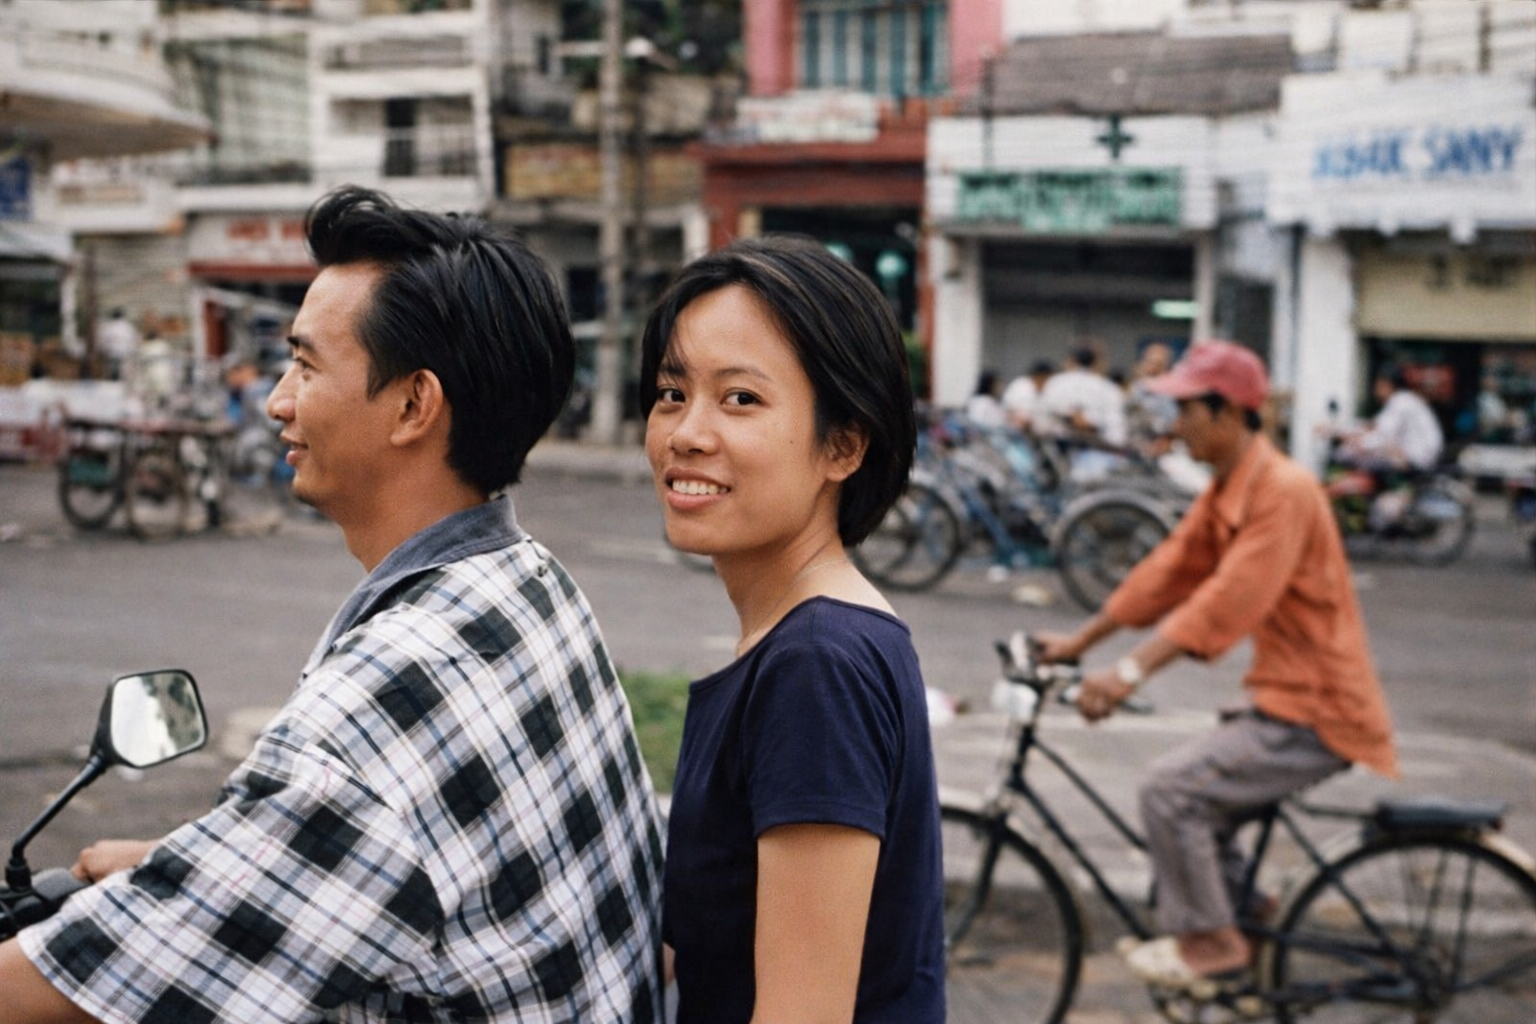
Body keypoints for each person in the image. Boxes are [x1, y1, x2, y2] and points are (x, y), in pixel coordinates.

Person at [0, 186, 664, 1023]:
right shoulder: (529, 583)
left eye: (307, 365)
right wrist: (189, 862)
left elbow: (75, 991)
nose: (277, 399)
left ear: (414, 406)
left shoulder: (386, 702)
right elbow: (389, 853)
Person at [642, 236, 945, 1023]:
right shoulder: (807, 640)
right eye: (673, 393)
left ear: (842, 445)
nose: (686, 433)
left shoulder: (817, 665)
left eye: (740, 399)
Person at [1034, 340, 1397, 989]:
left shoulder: (1283, 490)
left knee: (1171, 791)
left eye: (1185, 411)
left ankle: (1212, 942)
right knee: (1203, 805)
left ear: (1227, 411)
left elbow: (1227, 600)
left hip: (1317, 708)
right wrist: (1078, 643)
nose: (1175, 427)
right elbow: (1167, 572)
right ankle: (1251, 917)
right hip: (1280, 698)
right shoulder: (1235, 483)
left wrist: (1127, 674)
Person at [1342, 364, 1444, 471]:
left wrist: (1361, 443)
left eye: (1378, 384)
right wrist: (1343, 430)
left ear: (1386, 383)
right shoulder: (1406, 399)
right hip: (1423, 457)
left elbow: (1383, 436)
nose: (1375, 389)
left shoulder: (1400, 401)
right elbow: (1374, 425)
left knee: (1347, 455)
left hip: (1418, 459)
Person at [1041, 343, 1128, 446]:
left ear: (1072, 360)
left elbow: (1043, 417)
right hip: (1098, 448)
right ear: (1095, 362)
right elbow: (1117, 432)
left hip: (1060, 447)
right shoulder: (1109, 388)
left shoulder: (1056, 382)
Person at [1001, 359, 1055, 431]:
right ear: (1040, 375)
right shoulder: (1020, 385)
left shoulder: (1048, 390)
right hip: (1016, 432)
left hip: (1040, 434)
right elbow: (1008, 409)